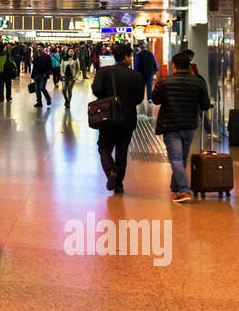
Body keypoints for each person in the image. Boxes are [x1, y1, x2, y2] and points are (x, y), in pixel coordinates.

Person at [152, 51, 213, 203]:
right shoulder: (198, 82)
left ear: (174, 66)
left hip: (171, 124)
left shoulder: (165, 81)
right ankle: (176, 188)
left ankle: (185, 191)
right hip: (189, 125)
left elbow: (156, 100)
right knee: (181, 158)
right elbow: (205, 104)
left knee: (176, 158)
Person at [90, 43, 145, 193]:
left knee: (104, 146)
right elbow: (139, 98)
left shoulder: (104, 71)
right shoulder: (137, 76)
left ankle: (110, 170)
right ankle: (119, 185)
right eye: (130, 56)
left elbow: (96, 90)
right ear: (127, 57)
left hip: (107, 116)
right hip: (127, 119)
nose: (131, 59)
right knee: (122, 150)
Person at [135, 44, 159, 115]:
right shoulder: (151, 54)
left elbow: (137, 64)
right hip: (149, 73)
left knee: (141, 86)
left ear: (141, 49)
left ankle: (141, 99)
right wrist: (156, 69)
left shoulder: (139, 55)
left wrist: (135, 71)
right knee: (149, 86)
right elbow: (155, 63)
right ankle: (149, 99)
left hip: (141, 73)